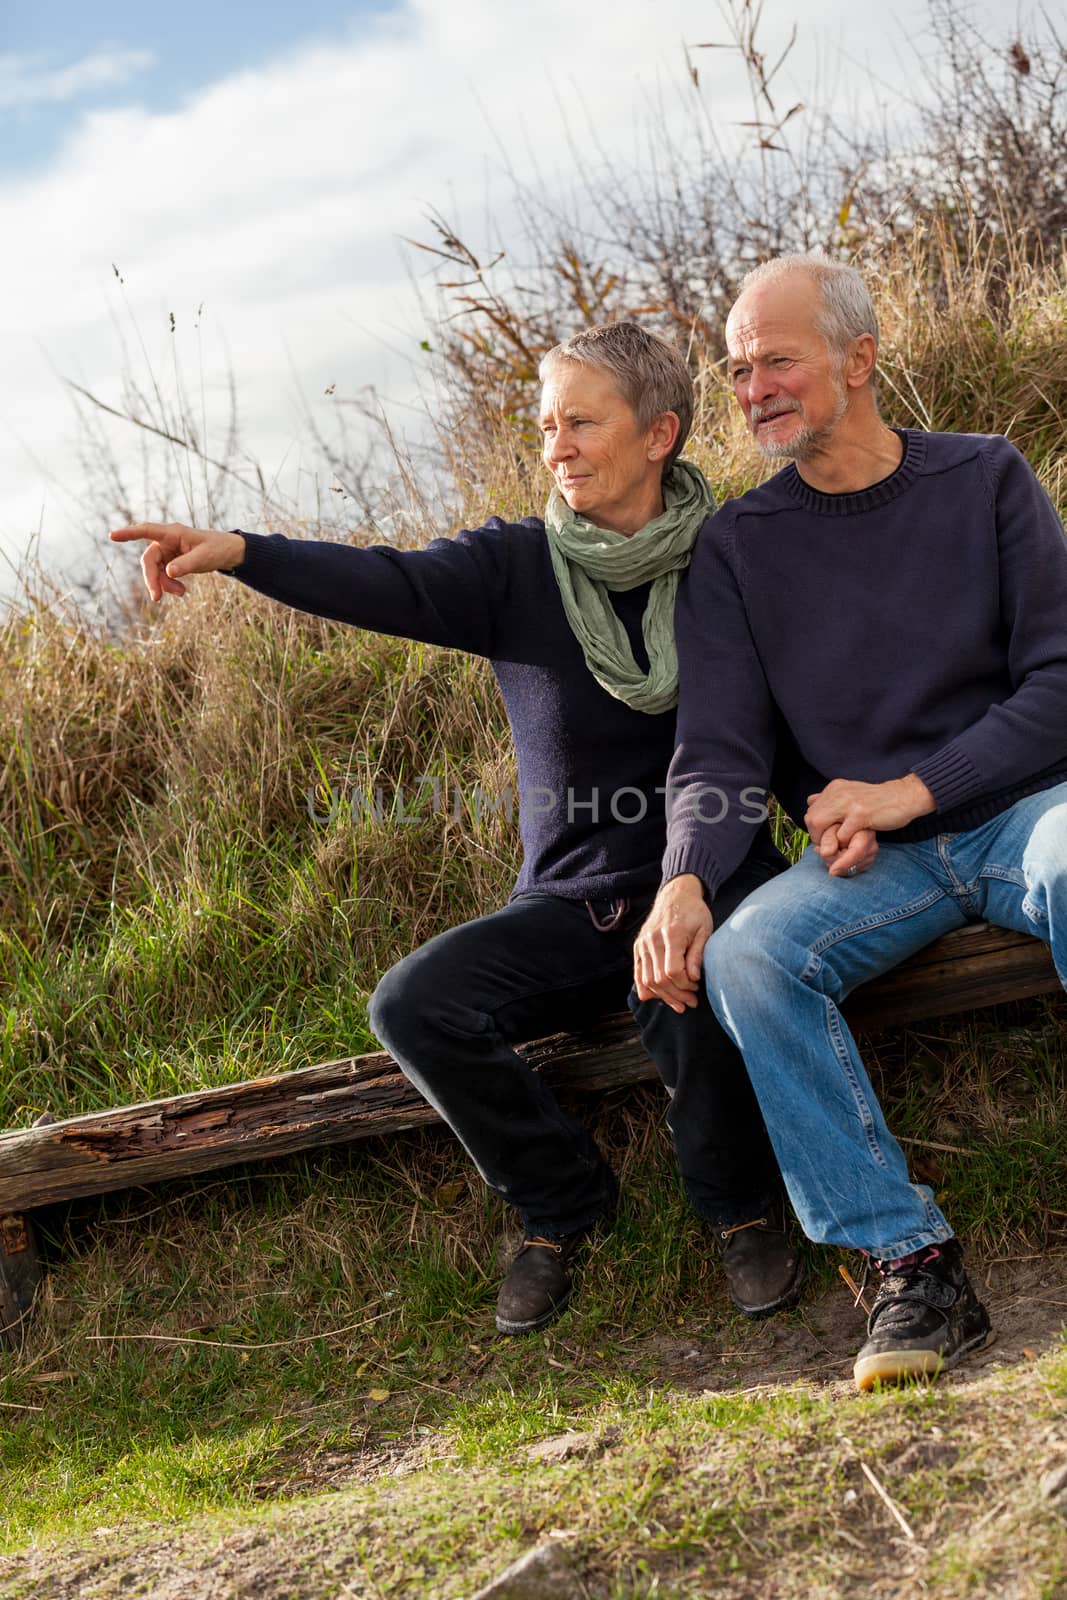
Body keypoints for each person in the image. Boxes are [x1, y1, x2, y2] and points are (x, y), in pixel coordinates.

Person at [110, 321, 805, 1337]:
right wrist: (247, 553)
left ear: (659, 433)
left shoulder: (734, 558)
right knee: (414, 1003)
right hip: (572, 903)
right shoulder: (513, 567)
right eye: (543, 425)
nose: (554, 446)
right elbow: (385, 581)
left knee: (683, 987)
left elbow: (798, 712)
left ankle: (737, 1208)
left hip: (714, 878)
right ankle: (562, 1204)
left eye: (578, 422)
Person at [633, 253, 1067, 1390]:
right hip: (880, 867)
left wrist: (908, 789)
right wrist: (683, 876)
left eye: (775, 358)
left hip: (1031, 813)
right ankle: (907, 1264)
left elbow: (1057, 681)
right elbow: (717, 746)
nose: (751, 386)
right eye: (735, 368)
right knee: (750, 953)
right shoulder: (734, 548)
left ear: (858, 358)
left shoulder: (982, 479)